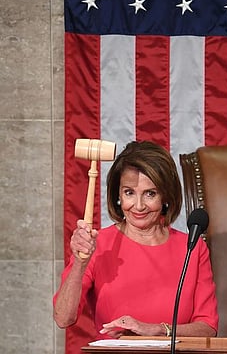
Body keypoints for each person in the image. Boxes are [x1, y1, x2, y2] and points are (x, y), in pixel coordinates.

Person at [53, 140, 218, 339]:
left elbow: (207, 327)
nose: (138, 206)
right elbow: (63, 318)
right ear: (118, 195)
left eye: (150, 194)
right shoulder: (98, 244)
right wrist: (80, 263)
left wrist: (156, 329)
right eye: (129, 193)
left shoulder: (192, 248)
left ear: (166, 195)